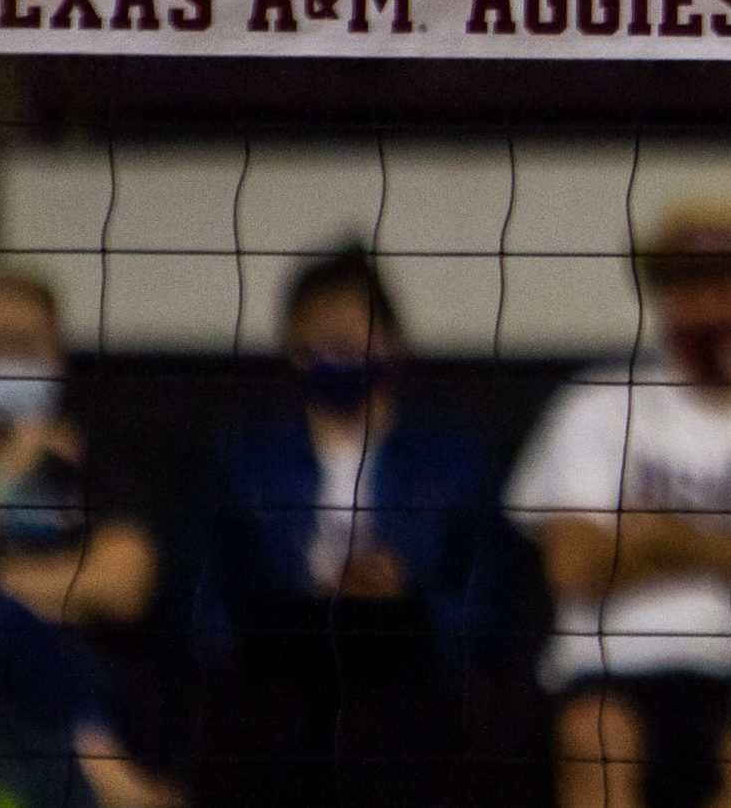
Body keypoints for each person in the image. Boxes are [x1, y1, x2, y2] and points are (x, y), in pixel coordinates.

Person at [508, 204, 731, 808]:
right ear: (661, 295)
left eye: (730, 279)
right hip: (609, 667)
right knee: (596, 740)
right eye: (689, 282)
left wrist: (656, 538)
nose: (711, 302)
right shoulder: (595, 405)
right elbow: (572, 569)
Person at [192, 240, 505, 808]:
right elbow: (204, 601)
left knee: (386, 732)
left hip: (410, 678)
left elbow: (485, 608)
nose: (340, 352)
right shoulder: (245, 459)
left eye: (353, 335)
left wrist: (402, 600)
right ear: (294, 346)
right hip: (275, 680)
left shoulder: (452, 460)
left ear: (393, 341)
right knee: (269, 729)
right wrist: (276, 626)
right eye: (323, 338)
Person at [0, 267, 181, 808]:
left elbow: (124, 584)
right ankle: (102, 768)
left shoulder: (94, 463)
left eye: (23, 345)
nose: (6, 359)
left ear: (57, 359)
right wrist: (12, 465)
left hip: (93, 680)